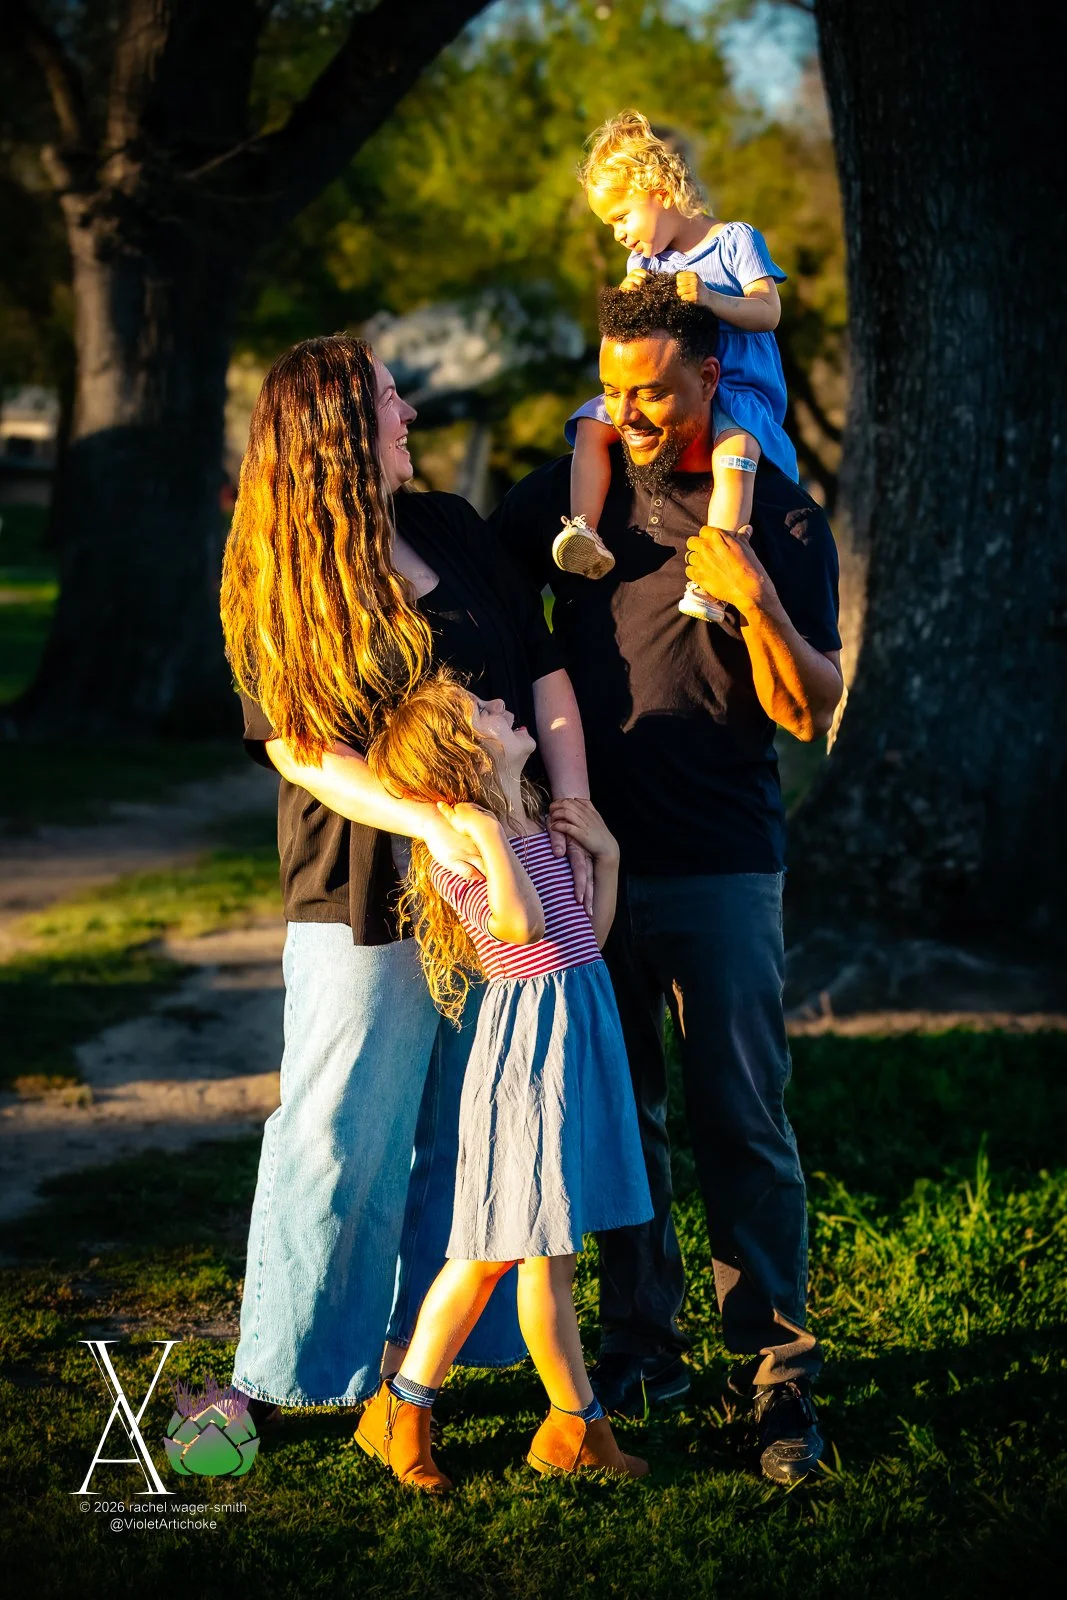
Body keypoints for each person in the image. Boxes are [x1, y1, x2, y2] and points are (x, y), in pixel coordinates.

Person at [490, 274, 844, 1484]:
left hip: (722, 866)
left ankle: (779, 1383)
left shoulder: (780, 517)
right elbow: (474, 597)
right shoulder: (577, 496)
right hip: (586, 868)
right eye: (615, 387)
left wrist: (750, 601)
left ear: (708, 375)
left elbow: (810, 708)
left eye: (654, 390)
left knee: (740, 1121)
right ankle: (645, 1348)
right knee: (618, 1124)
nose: (631, 410)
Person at [219, 334, 593, 1413]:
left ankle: (441, 1357)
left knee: (478, 1119)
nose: (407, 412)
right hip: (363, 892)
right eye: (388, 397)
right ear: (336, 428)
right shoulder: (274, 569)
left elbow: (544, 666)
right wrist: (432, 821)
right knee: (338, 1130)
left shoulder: (448, 526)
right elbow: (299, 747)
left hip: (511, 868)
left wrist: (567, 809)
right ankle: (293, 1376)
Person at [354, 672, 651, 1491]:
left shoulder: (528, 818)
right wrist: (487, 834)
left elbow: (579, 937)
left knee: (546, 1255)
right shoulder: (457, 843)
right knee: (492, 1253)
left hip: (578, 1029)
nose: (501, 707)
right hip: (527, 1054)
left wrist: (608, 858)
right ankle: (402, 1409)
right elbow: (514, 927)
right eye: (482, 712)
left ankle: (574, 1428)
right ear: (460, 753)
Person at [554, 109, 796, 627]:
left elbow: (768, 312)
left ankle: (712, 579)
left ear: (660, 190)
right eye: (609, 224)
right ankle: (583, 530)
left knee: (734, 458)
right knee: (592, 425)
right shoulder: (645, 263)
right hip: (667, 394)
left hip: (733, 389)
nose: (618, 234)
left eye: (621, 217)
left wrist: (712, 299)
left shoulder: (734, 241)